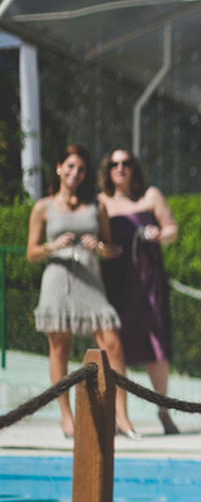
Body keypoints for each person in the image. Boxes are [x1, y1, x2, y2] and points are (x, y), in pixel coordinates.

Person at [26, 144, 139, 440]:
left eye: (81, 168)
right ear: (59, 168)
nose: (76, 173)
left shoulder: (96, 206)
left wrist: (98, 246)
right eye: (71, 166)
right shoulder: (43, 206)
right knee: (59, 348)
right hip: (57, 282)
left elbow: (111, 250)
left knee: (112, 342)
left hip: (91, 281)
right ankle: (66, 418)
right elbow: (31, 253)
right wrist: (54, 245)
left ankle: (121, 417)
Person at [98, 149, 181, 435]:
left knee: (156, 347)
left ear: (134, 168)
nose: (120, 168)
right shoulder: (101, 202)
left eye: (126, 163)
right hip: (115, 284)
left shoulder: (150, 196)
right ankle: (121, 416)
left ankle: (164, 411)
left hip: (149, 282)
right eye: (114, 164)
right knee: (114, 348)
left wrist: (161, 234)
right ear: (107, 170)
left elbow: (172, 229)